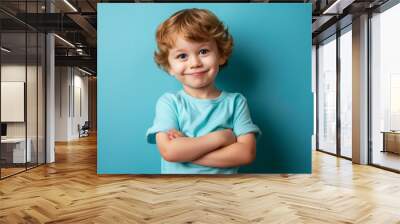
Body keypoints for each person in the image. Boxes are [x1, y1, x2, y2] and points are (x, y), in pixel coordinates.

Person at [146, 8, 261, 174]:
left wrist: (188, 151)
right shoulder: (169, 103)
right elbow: (170, 151)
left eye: (203, 51)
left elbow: (246, 153)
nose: (195, 63)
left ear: (221, 55)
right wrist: (221, 138)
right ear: (169, 66)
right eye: (182, 56)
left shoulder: (236, 102)